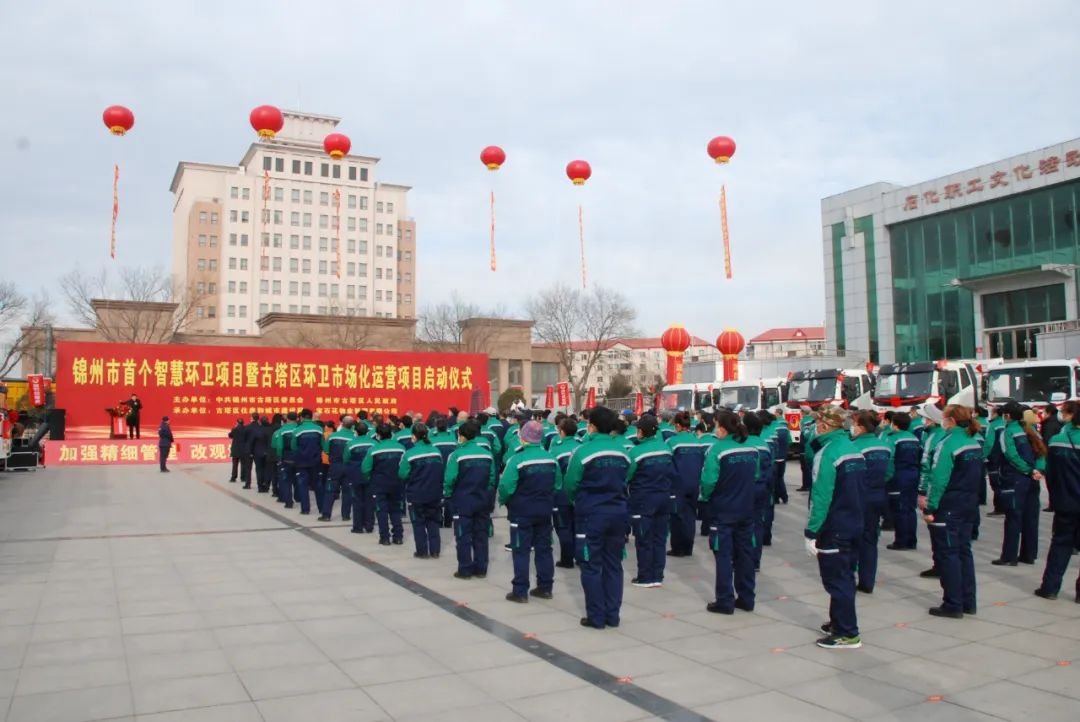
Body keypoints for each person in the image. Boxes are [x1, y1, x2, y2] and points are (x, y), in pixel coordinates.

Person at [563, 405, 631, 630]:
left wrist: (578, 501)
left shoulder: (583, 452)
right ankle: (613, 615)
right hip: (618, 513)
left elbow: (570, 484)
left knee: (591, 565)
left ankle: (596, 616)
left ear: (591, 426)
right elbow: (628, 476)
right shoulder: (623, 451)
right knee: (614, 564)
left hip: (591, 514)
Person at [806, 406, 866, 649]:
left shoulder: (828, 454)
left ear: (824, 426)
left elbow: (821, 496)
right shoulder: (854, 449)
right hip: (854, 522)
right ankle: (838, 621)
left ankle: (847, 632)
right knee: (846, 576)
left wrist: (811, 531)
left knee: (836, 580)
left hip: (834, 525)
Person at [923, 405, 983, 618]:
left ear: (951, 420)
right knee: (964, 552)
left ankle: (953, 603)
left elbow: (938, 479)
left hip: (949, 505)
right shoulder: (973, 442)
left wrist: (930, 506)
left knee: (948, 554)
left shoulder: (947, 443)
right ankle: (968, 601)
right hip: (968, 504)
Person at [700, 410, 758, 614]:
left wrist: (706, 498)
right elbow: (756, 474)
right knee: (745, 555)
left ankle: (725, 600)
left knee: (723, 556)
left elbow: (708, 481)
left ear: (722, 428)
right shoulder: (751, 447)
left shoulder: (717, 450)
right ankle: (747, 597)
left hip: (723, 510)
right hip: (746, 509)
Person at [499, 420, 560, 602]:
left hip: (522, 512)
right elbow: (557, 484)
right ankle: (545, 587)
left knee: (521, 550)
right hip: (544, 511)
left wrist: (504, 501)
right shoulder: (551, 459)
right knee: (544, 549)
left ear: (524, 438)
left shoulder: (517, 459)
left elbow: (506, 486)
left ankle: (520, 590)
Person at [1036, 400, 1080, 602]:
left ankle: (1050, 587)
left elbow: (1051, 474)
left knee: (1060, 544)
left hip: (1065, 502)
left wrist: (1055, 497)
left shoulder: (1056, 440)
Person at [993, 402, 1047, 566]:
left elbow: (1010, 455)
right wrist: (1038, 470)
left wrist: (1027, 470)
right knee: (1031, 517)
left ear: (1007, 416)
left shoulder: (1008, 431)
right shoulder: (1033, 431)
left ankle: (1009, 556)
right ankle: (1029, 555)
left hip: (1016, 479)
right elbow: (1041, 453)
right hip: (1033, 480)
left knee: (1014, 517)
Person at [626, 415, 676, 588]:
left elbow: (627, 476)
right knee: (660, 538)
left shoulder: (635, 452)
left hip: (643, 499)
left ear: (641, 431)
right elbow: (672, 473)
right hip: (663, 497)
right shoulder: (666, 448)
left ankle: (645, 576)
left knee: (644, 538)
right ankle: (658, 575)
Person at [444, 420, 497, 578]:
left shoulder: (457, 455)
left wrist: (448, 495)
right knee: (481, 535)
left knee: (463, 535)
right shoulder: (487, 454)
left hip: (463, 500)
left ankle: (465, 569)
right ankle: (481, 568)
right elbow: (492, 478)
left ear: (462, 436)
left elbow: (450, 479)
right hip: (482, 499)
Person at [851, 411, 891, 594]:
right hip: (877, 496)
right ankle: (867, 581)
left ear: (861, 426)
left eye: (854, 423)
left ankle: (849, 576)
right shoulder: (884, 446)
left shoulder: (854, 447)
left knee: (851, 540)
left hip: (857, 498)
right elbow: (890, 472)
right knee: (870, 540)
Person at [398, 423, 445, 559]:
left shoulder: (410, 454)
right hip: (434, 493)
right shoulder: (436, 451)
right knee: (433, 522)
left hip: (416, 494)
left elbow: (402, 474)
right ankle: (435, 550)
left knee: (418, 523)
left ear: (414, 436)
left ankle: (422, 551)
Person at [666, 412, 709, 557]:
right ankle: (688, 547)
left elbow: (667, 464)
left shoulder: (672, 442)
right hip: (694, 483)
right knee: (690, 515)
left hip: (678, 484)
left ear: (678, 426)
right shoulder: (697, 441)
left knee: (677, 516)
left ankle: (678, 548)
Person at [362, 424, 408, 545]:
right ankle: (398, 537)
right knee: (396, 510)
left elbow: (365, 468)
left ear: (378, 435)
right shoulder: (401, 448)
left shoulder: (373, 449)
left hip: (379, 484)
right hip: (397, 483)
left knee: (381, 511)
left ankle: (385, 537)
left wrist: (370, 478)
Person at [917, 403, 946, 578]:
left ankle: (940, 564)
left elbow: (926, 467)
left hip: (934, 489)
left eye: (925, 418)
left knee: (936, 529)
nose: (923, 421)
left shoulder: (932, 439)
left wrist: (922, 491)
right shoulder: (944, 435)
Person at [742, 412, 774, 572]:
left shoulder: (743, 444)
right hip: (762, 489)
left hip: (745, 491)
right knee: (757, 524)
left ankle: (744, 559)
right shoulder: (764, 444)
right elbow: (770, 469)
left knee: (743, 526)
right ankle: (755, 560)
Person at [886, 412, 920, 551]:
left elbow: (890, 459)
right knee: (910, 509)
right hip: (913, 474)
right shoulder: (914, 438)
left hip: (898, 476)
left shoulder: (893, 439)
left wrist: (887, 478)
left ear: (894, 424)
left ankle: (901, 541)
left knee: (899, 510)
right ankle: (911, 540)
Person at [551, 417, 582, 569]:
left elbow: (553, 473)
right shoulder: (581, 446)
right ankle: (580, 555)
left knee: (563, 527)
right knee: (578, 525)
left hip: (562, 493)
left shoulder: (556, 450)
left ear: (562, 432)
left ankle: (567, 559)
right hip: (579, 492)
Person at [321, 417, 356, 522]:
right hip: (349, 467)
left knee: (330, 490)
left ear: (342, 424)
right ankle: (346, 515)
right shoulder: (354, 438)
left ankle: (326, 515)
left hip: (335, 466)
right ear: (352, 425)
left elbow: (326, 450)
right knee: (347, 491)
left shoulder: (333, 436)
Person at [289, 410, 323, 515]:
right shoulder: (319, 429)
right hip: (316, 461)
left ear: (302, 417)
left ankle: (305, 509)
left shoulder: (297, 430)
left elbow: (293, 447)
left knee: (302, 485)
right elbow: (323, 445)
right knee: (318, 485)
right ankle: (321, 508)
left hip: (301, 462)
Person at [345, 422, 375, 534]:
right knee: (369, 500)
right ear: (367, 431)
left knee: (357, 500)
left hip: (355, 474)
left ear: (356, 432)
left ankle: (358, 526)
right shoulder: (374, 443)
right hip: (370, 474)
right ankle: (369, 525)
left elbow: (346, 459)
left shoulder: (351, 443)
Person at [984, 406, 1007, 517]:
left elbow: (989, 443)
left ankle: (999, 507)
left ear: (996, 414)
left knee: (996, 483)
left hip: (995, 457)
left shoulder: (992, 425)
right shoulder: (1005, 424)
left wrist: (983, 456)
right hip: (1005, 458)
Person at [271, 412, 299, 507]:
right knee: (298, 478)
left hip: (286, 458)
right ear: (297, 418)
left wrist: (279, 457)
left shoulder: (280, 431)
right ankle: (298, 497)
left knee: (286, 480)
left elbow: (276, 445)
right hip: (299, 458)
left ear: (287, 419)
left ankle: (288, 501)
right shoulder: (300, 429)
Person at [768, 408, 791, 504]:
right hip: (783, 456)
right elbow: (789, 441)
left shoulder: (771, 429)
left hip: (775, 458)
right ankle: (784, 496)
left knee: (774, 478)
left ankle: (777, 497)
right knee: (780, 477)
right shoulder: (784, 427)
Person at [250, 415, 272, 493]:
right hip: (268, 453)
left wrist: (251, 452)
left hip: (258, 453)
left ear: (260, 422)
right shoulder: (271, 430)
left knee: (259, 469)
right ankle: (266, 486)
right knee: (267, 470)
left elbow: (251, 442)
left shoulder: (256, 430)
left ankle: (260, 487)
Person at [797, 405, 816, 492]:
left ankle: (806, 485)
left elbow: (805, 434)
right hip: (811, 446)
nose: (800, 413)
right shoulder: (812, 419)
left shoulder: (805, 421)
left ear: (804, 412)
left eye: (801, 411)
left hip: (805, 445)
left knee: (804, 467)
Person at [240, 412, 260, 489]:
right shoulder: (260, 427)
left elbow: (244, 439)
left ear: (251, 418)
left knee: (248, 468)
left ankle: (248, 484)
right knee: (259, 468)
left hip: (248, 450)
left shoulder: (247, 427)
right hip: (258, 450)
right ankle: (260, 485)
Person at [228, 419, 247, 483]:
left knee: (235, 464)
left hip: (235, 449)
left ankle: (233, 478)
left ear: (237, 423)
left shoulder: (235, 429)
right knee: (243, 464)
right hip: (243, 449)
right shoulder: (246, 429)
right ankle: (243, 477)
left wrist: (234, 428)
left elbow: (230, 435)